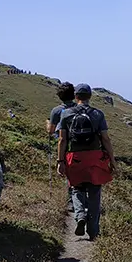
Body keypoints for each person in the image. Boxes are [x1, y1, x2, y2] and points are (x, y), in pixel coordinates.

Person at [56, 83, 115, 240]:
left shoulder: (66, 114)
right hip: (95, 158)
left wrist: (60, 161)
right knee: (95, 192)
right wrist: (112, 160)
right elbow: (106, 139)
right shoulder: (98, 114)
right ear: (89, 96)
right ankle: (94, 231)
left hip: (75, 158)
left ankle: (80, 215)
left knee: (76, 189)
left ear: (76, 96)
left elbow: (62, 140)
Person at [47, 82, 77, 211]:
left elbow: (51, 130)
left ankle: (72, 201)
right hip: (79, 142)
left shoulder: (57, 110)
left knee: (70, 171)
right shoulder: (79, 108)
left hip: (63, 143)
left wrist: (47, 123)